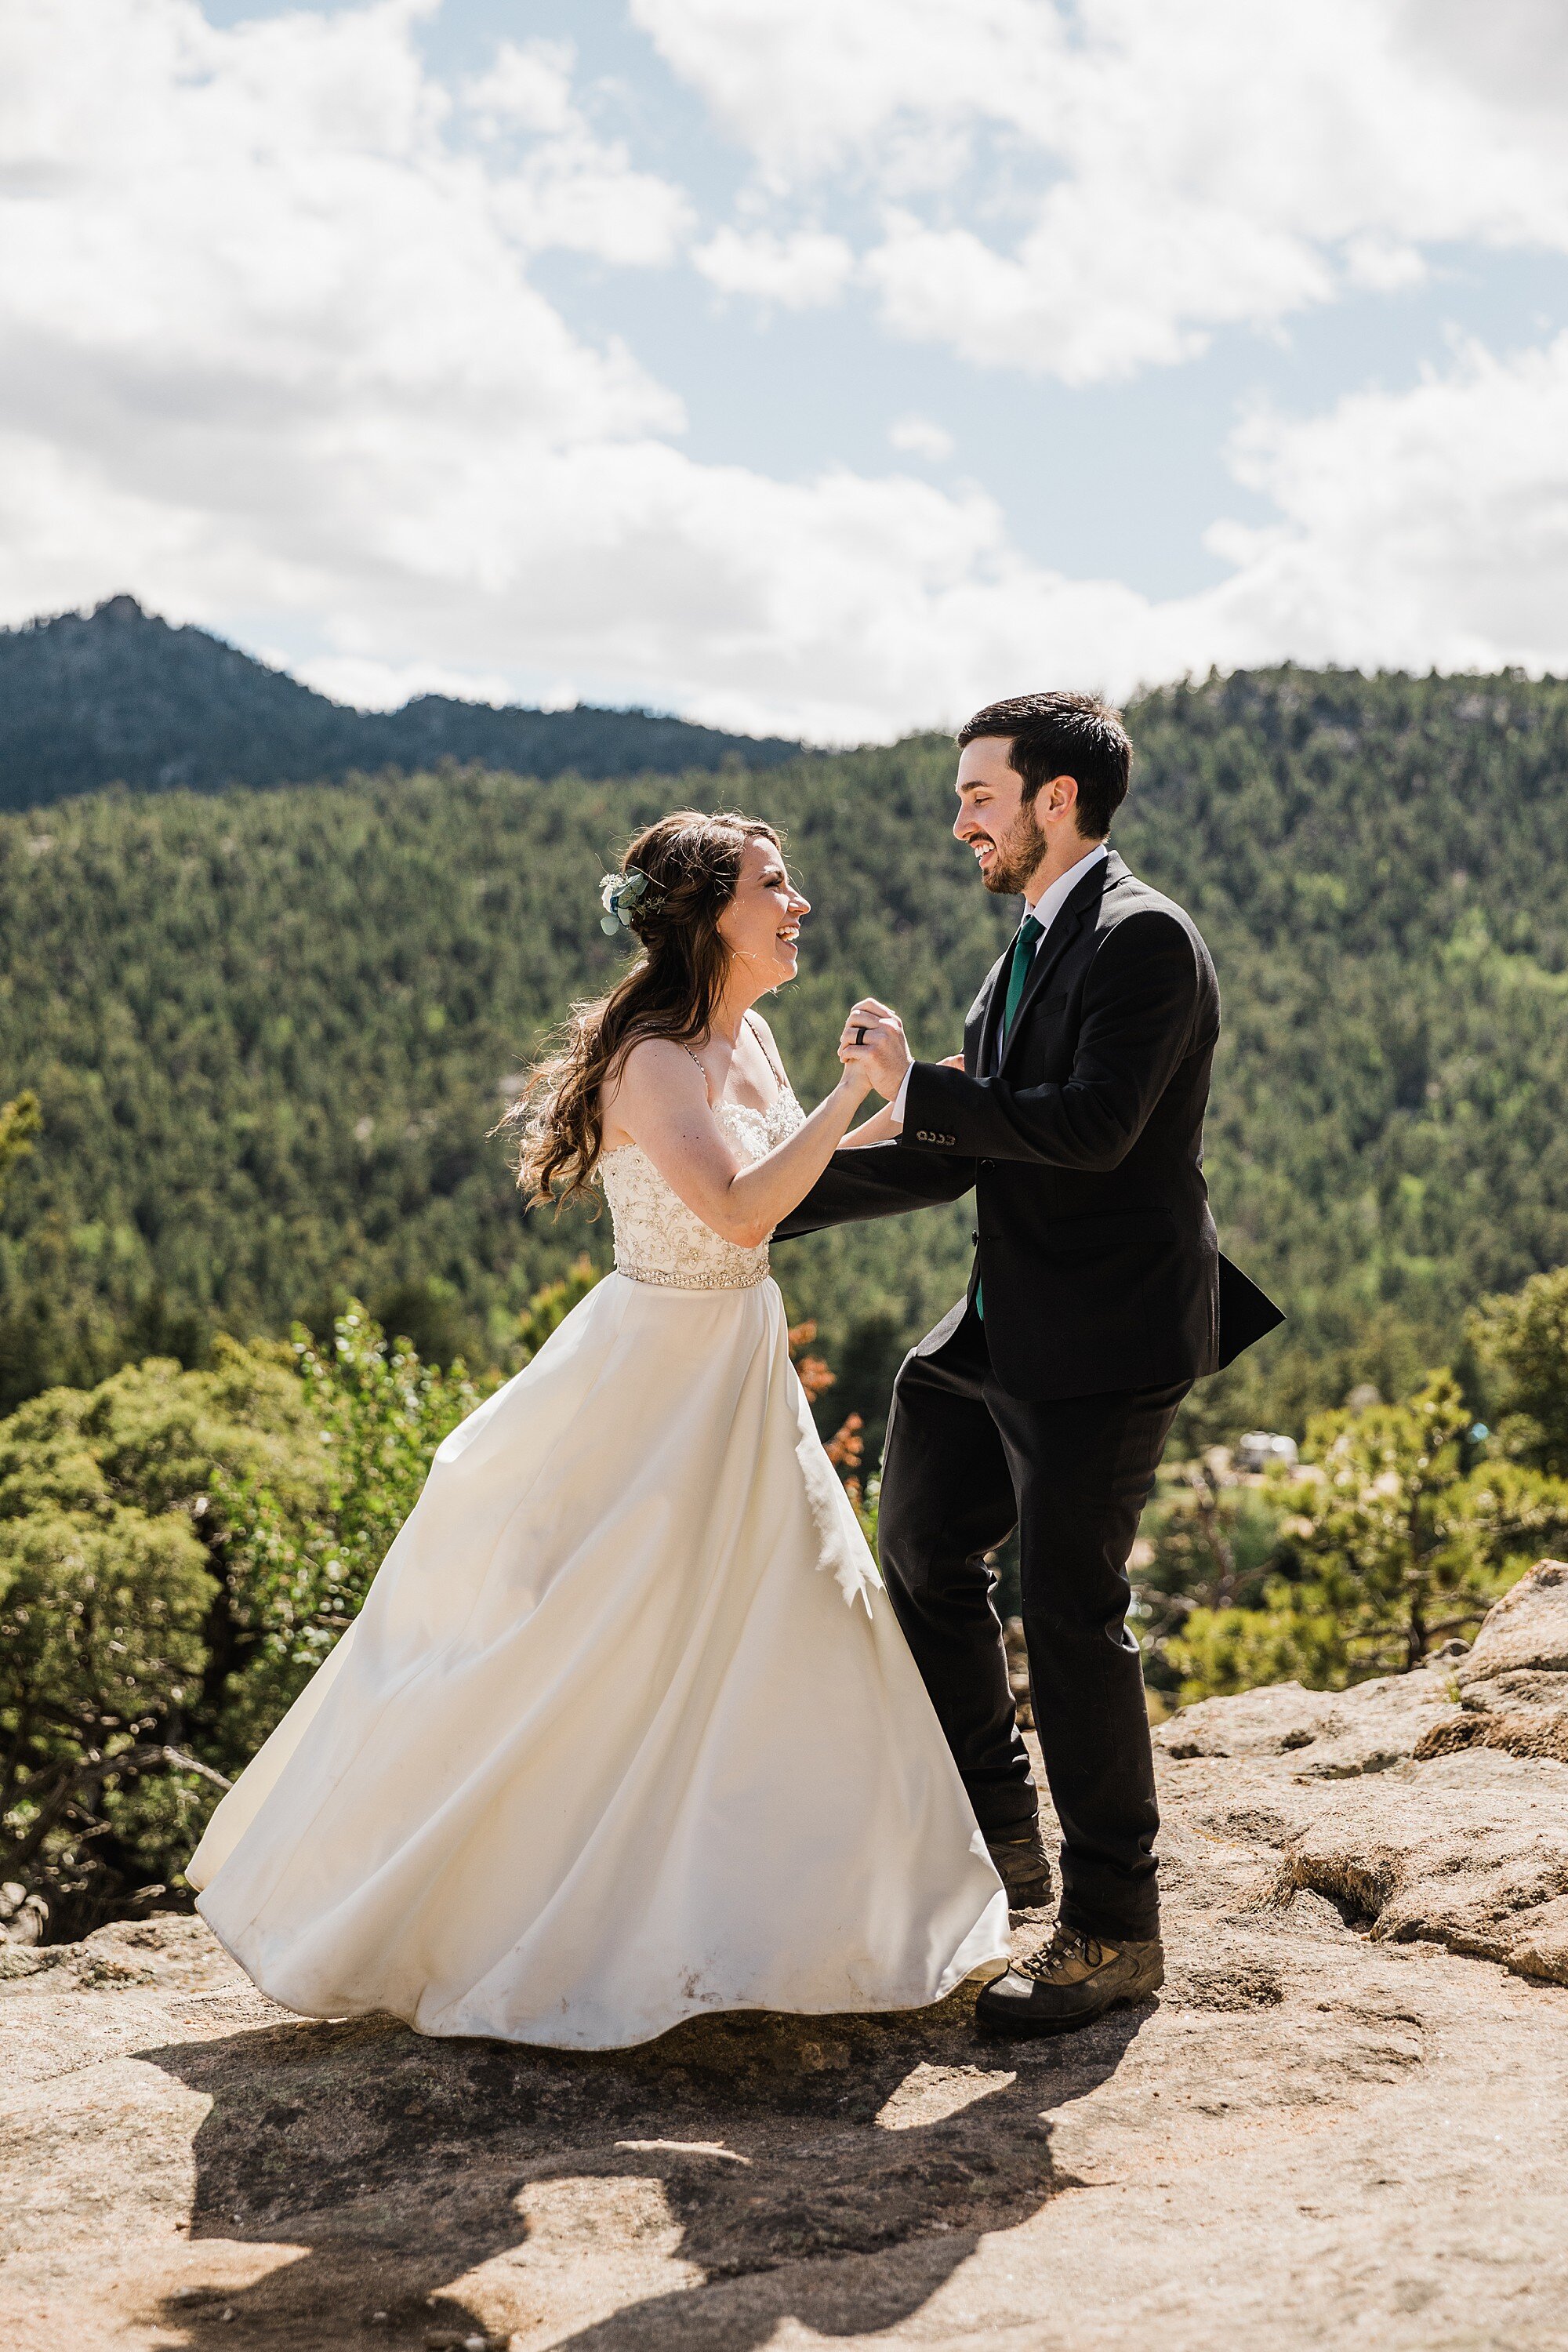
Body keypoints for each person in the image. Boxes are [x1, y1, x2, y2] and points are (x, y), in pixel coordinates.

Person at [186, 810, 1010, 2050]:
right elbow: (738, 1211)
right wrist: (852, 1089)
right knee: (605, 1641)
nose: (798, 907)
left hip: (737, 1369)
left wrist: (916, 1105)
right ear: (703, 915)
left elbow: (805, 1172)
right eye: (773, 887)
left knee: (787, 1623)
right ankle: (537, 1913)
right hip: (654, 1377)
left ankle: (775, 1920)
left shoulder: (755, 1033)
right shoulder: (653, 1059)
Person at [775, 692, 1283, 2038]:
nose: (962, 821)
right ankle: (1004, 1838)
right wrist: (756, 1198)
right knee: (927, 1553)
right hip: (997, 1328)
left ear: (1057, 800)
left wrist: (915, 1085)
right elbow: (960, 1159)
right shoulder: (1022, 954)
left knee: (1068, 1611)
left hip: (1107, 1340)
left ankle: (1116, 1932)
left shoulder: (1145, 939)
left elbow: (1100, 1129)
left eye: (979, 797)